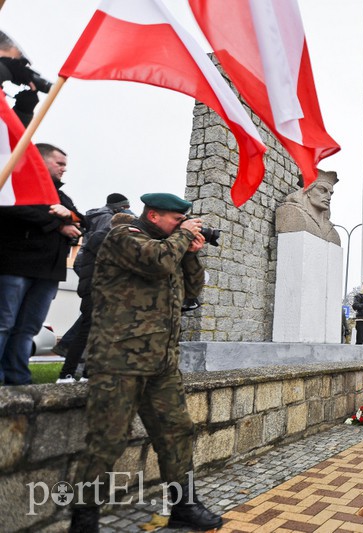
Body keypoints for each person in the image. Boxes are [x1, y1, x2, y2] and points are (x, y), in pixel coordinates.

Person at [68, 193, 220, 532]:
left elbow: (193, 291)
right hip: (119, 360)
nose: (182, 226)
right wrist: (182, 238)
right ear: (153, 215)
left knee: (177, 432)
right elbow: (157, 262)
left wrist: (192, 254)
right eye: (176, 220)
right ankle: (84, 518)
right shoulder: (124, 237)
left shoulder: (172, 246)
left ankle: (183, 506)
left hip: (161, 362)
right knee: (107, 440)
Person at [0, 143, 83, 385]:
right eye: (59, 163)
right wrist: (57, 222)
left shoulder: (61, 194)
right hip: (16, 266)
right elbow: (15, 211)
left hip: (48, 272)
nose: (64, 169)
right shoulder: (16, 184)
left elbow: (81, 219)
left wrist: (70, 217)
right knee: (4, 324)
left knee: (27, 328)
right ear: (41, 160)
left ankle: (17, 378)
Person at [56, 212, 137, 383]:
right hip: (95, 291)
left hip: (102, 291)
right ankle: (66, 374)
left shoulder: (104, 237)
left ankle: (88, 373)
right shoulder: (101, 237)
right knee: (86, 332)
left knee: (100, 333)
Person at [275, 170, 341, 245]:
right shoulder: (292, 213)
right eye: (322, 190)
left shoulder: (331, 230)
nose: (329, 197)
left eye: (331, 193)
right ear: (308, 190)